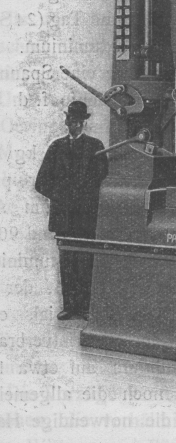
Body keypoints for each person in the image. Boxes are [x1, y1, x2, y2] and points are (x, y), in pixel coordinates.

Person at [35, 100, 108, 321]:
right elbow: (41, 182)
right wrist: (61, 197)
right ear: (66, 121)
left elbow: (102, 179)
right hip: (64, 217)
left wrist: (83, 198)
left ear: (84, 122)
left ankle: (85, 308)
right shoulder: (56, 147)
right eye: (71, 119)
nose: (73, 123)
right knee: (66, 263)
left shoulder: (95, 146)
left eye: (77, 120)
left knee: (85, 262)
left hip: (85, 217)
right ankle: (69, 307)